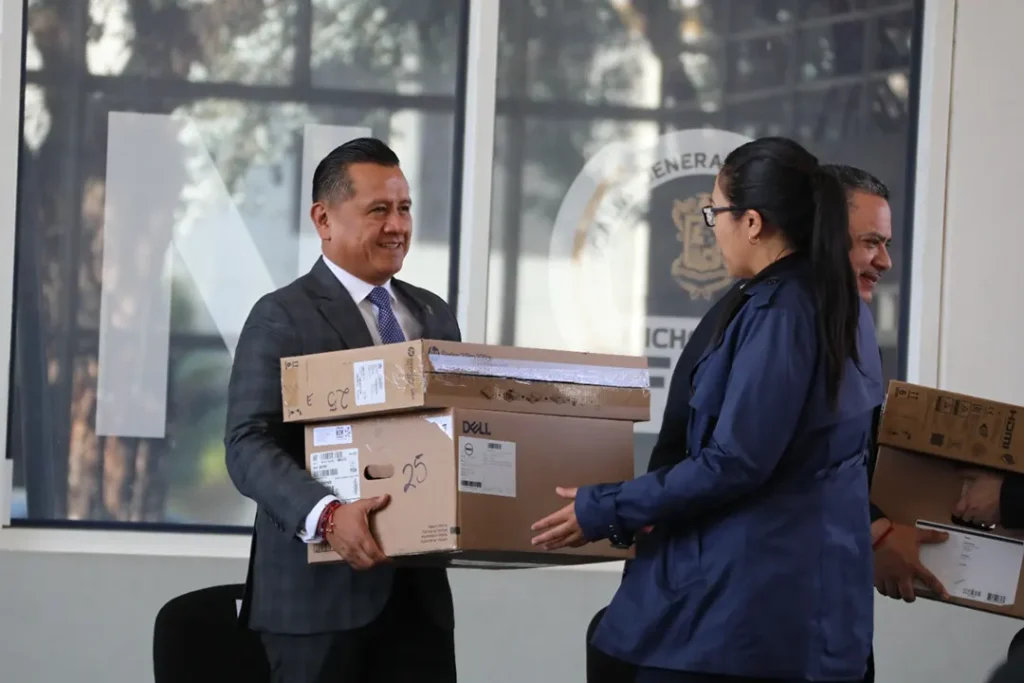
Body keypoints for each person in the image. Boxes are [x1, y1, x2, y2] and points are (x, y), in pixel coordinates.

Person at [533, 136, 883, 682]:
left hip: (741, 614)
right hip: (802, 611)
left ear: (751, 222)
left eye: (714, 212)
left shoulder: (782, 313)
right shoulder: (833, 304)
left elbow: (735, 460)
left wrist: (605, 507)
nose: (710, 227)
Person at [583, 163, 946, 683]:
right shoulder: (771, 315)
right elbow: (732, 460)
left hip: (780, 619)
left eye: (885, 244)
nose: (883, 260)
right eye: (869, 242)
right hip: (739, 614)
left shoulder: (828, 317)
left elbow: (821, 460)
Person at [224, 138, 459, 683]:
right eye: (378, 210)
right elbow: (246, 444)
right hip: (316, 604)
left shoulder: (433, 315)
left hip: (418, 604)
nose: (397, 226)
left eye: (404, 209)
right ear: (324, 219)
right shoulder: (282, 316)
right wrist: (327, 516)